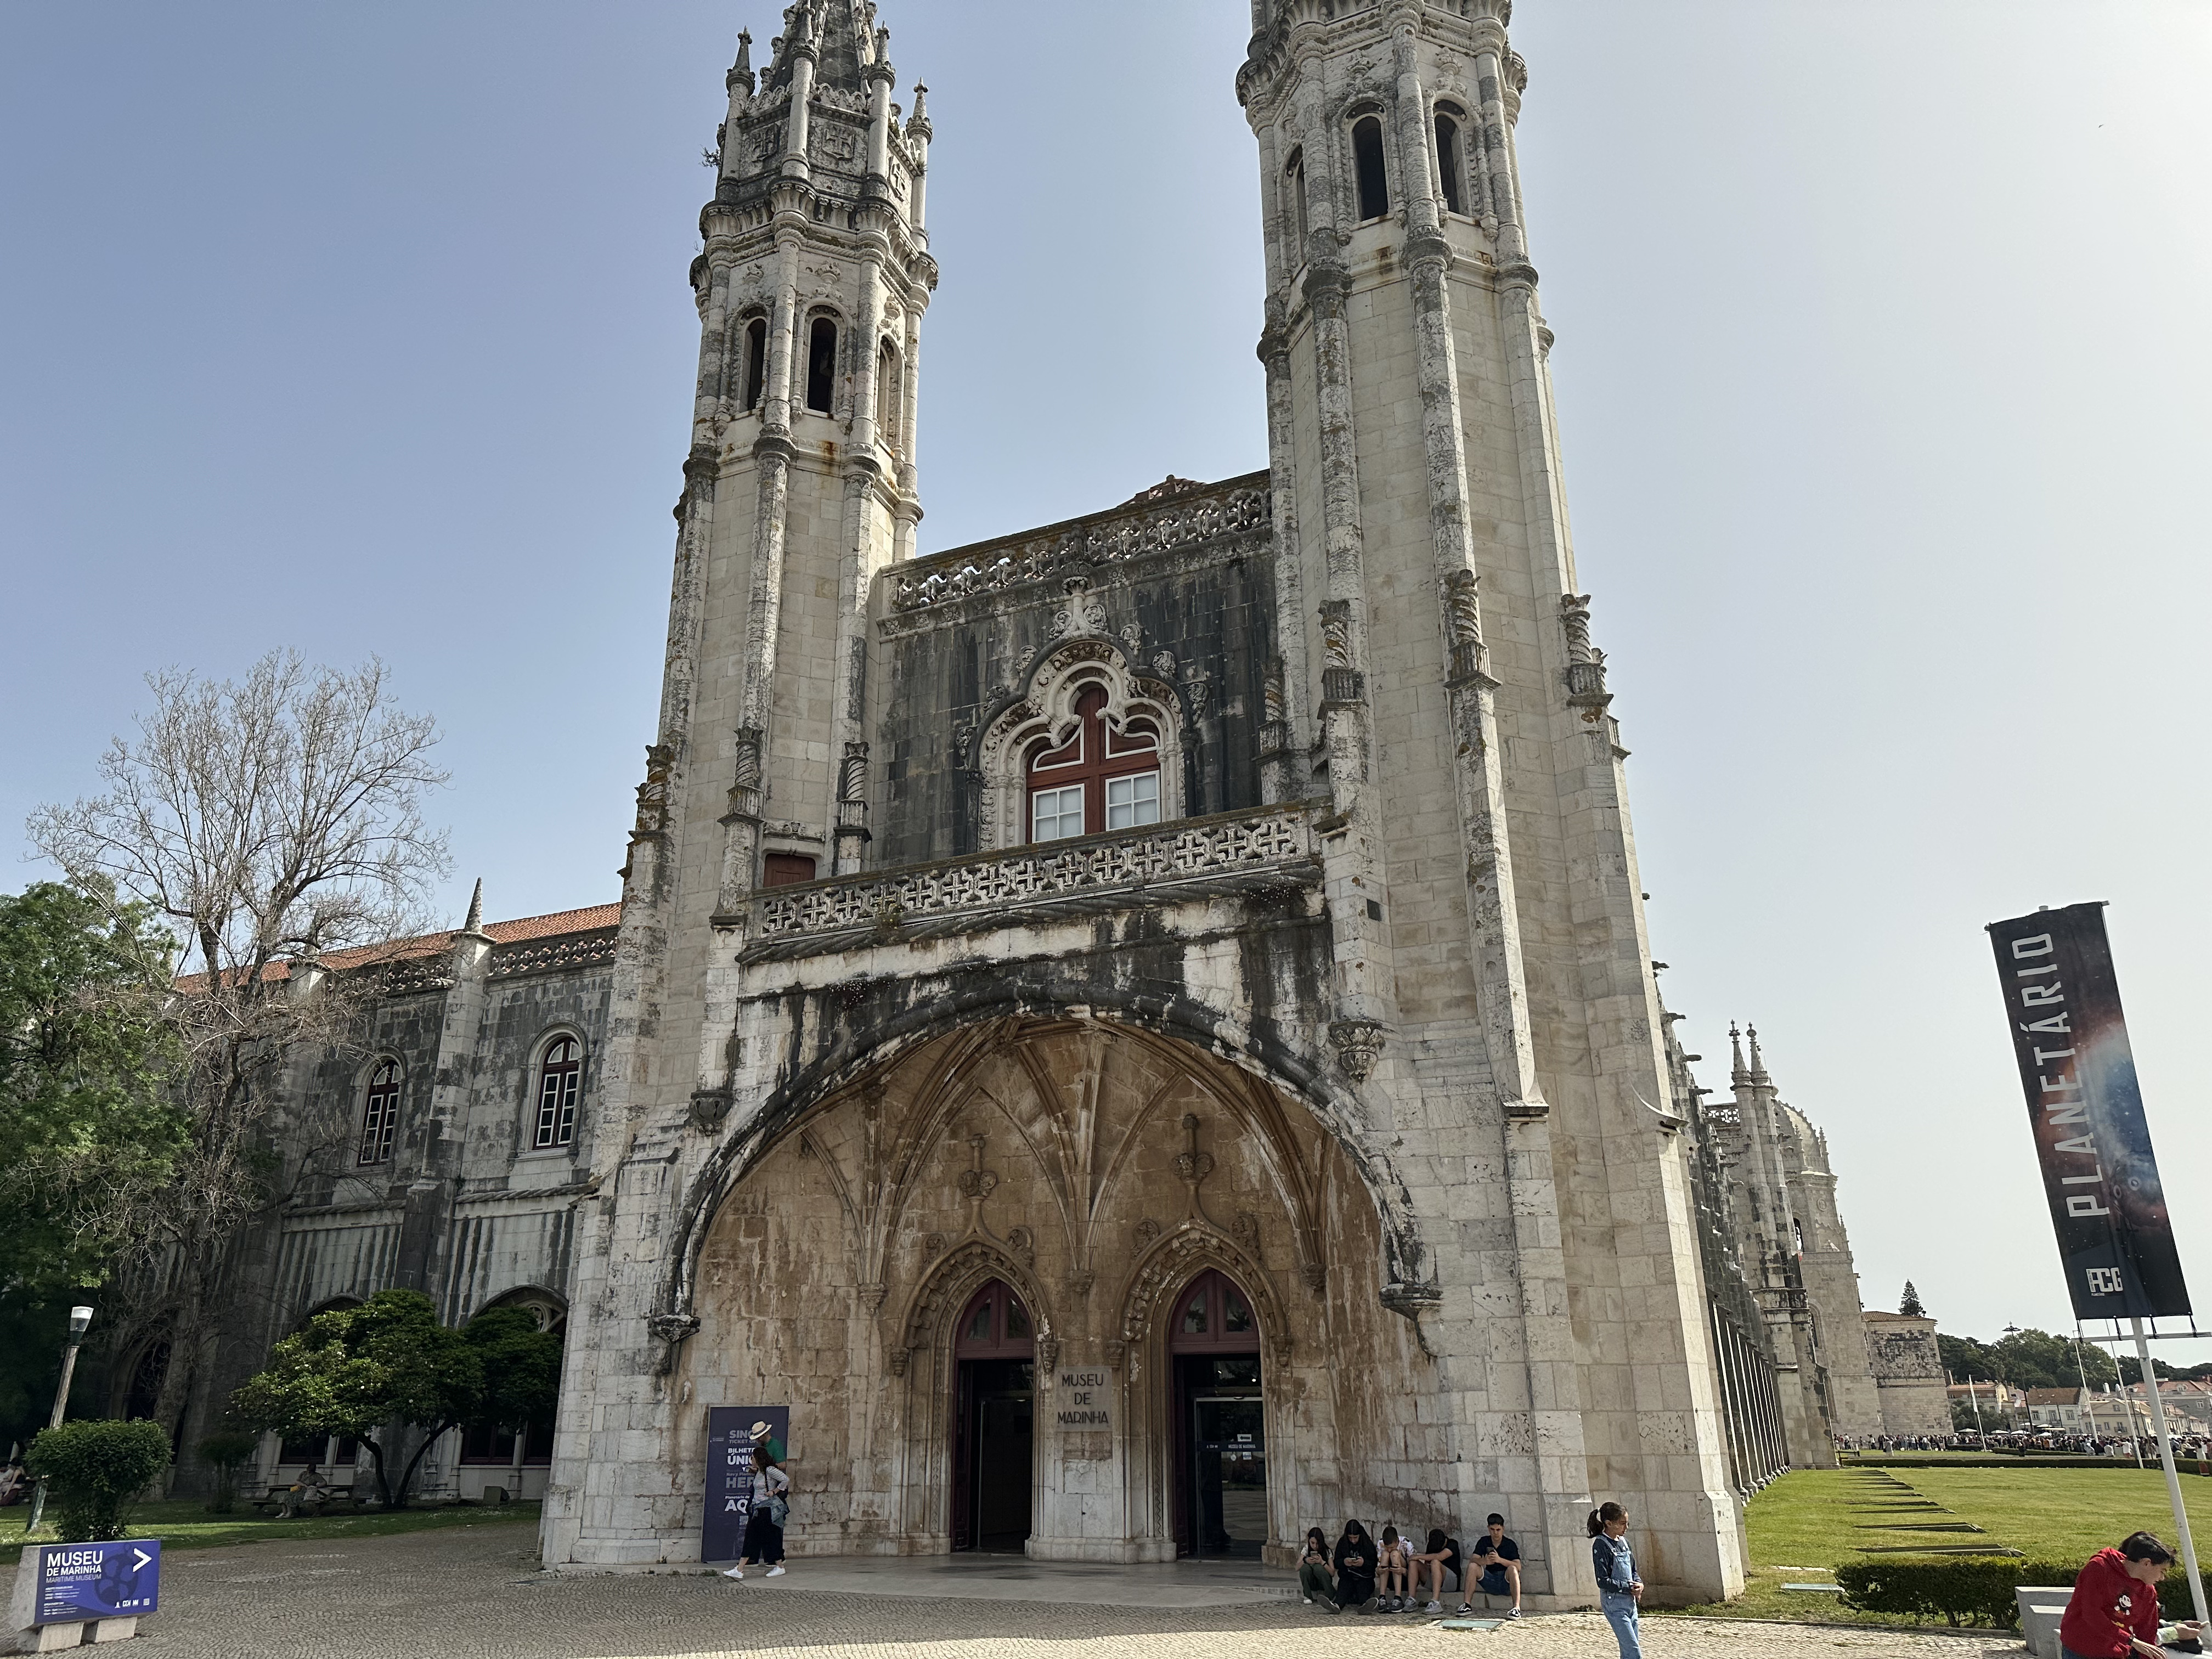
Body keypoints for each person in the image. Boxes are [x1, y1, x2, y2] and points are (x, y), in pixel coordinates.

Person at [2060, 1531, 2204, 1659]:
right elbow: (2092, 1614)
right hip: (2081, 1648)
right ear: (2146, 1563)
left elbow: (2146, 1634)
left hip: (2114, 1652)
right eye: (2162, 1571)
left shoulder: (2148, 1592)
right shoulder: (2099, 1568)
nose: (2162, 1578)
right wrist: (2131, 1641)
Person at [720, 1444, 791, 1580]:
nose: (750, 1459)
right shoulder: (760, 1471)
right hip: (758, 1509)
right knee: (759, 1538)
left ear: (758, 1458)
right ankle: (742, 1569)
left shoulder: (770, 1470)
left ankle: (742, 1569)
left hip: (765, 1509)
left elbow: (785, 1479)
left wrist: (774, 1491)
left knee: (755, 1537)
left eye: (752, 1457)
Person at [1590, 1502, 1643, 1659]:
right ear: (1609, 1523)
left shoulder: (1625, 1543)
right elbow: (1602, 1580)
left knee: (1628, 1651)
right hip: (1614, 1605)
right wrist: (1628, 1587)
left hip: (1630, 1604)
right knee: (1634, 1652)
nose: (1626, 1528)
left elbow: (1633, 1571)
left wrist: (1639, 1583)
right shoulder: (1601, 1545)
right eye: (1622, 1524)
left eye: (1627, 1523)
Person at [1464, 1512, 1523, 1618]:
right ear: (1488, 1528)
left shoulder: (1510, 1544)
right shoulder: (1484, 1541)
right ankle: (1467, 1605)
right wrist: (1484, 1561)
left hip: (1506, 1582)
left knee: (1513, 1569)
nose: (1495, 1533)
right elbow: (1473, 1560)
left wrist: (1500, 1560)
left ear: (1503, 1529)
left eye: (1498, 1530)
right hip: (1490, 1580)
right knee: (1473, 1566)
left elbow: (1518, 1566)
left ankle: (1516, 1608)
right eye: (1492, 1529)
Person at [1325, 1520, 1379, 1614]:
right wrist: (1344, 1562)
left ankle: (1365, 1607)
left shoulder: (1367, 1544)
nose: (1353, 1541)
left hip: (1364, 1578)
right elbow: (1336, 1563)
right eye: (1350, 1538)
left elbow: (1374, 1564)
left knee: (1363, 1593)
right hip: (1348, 1576)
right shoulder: (1342, 1543)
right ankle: (1336, 1606)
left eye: (1355, 1538)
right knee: (1343, 1591)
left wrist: (1364, 1563)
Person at [1410, 1526, 1464, 1615]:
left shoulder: (1452, 1544)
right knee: (1414, 1562)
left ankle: (1435, 1602)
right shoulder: (1432, 1545)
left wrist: (1419, 1556)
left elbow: (1440, 1556)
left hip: (1451, 1582)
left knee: (1436, 1562)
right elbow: (1426, 1563)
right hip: (1435, 1579)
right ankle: (1411, 1600)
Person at [1297, 1527, 1335, 1606]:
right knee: (1305, 1568)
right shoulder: (1306, 1549)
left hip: (1323, 1582)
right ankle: (1308, 1596)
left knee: (1318, 1568)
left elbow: (1332, 1573)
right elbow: (1297, 1567)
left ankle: (1329, 1594)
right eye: (1313, 1543)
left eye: (1317, 1544)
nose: (1315, 1546)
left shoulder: (1327, 1551)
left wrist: (1323, 1563)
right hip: (1312, 1582)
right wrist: (1306, 1560)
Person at [1376, 1526, 1412, 1612]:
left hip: (1405, 1578)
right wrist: (1379, 1570)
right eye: (1387, 1547)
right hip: (1389, 1577)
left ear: (1397, 1541)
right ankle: (1382, 1597)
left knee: (1395, 1554)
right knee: (1385, 1554)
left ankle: (1398, 1597)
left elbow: (1414, 1569)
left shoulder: (1406, 1544)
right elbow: (1378, 1567)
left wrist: (1403, 1570)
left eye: (1392, 1547)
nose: (1389, 1549)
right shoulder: (1381, 1543)